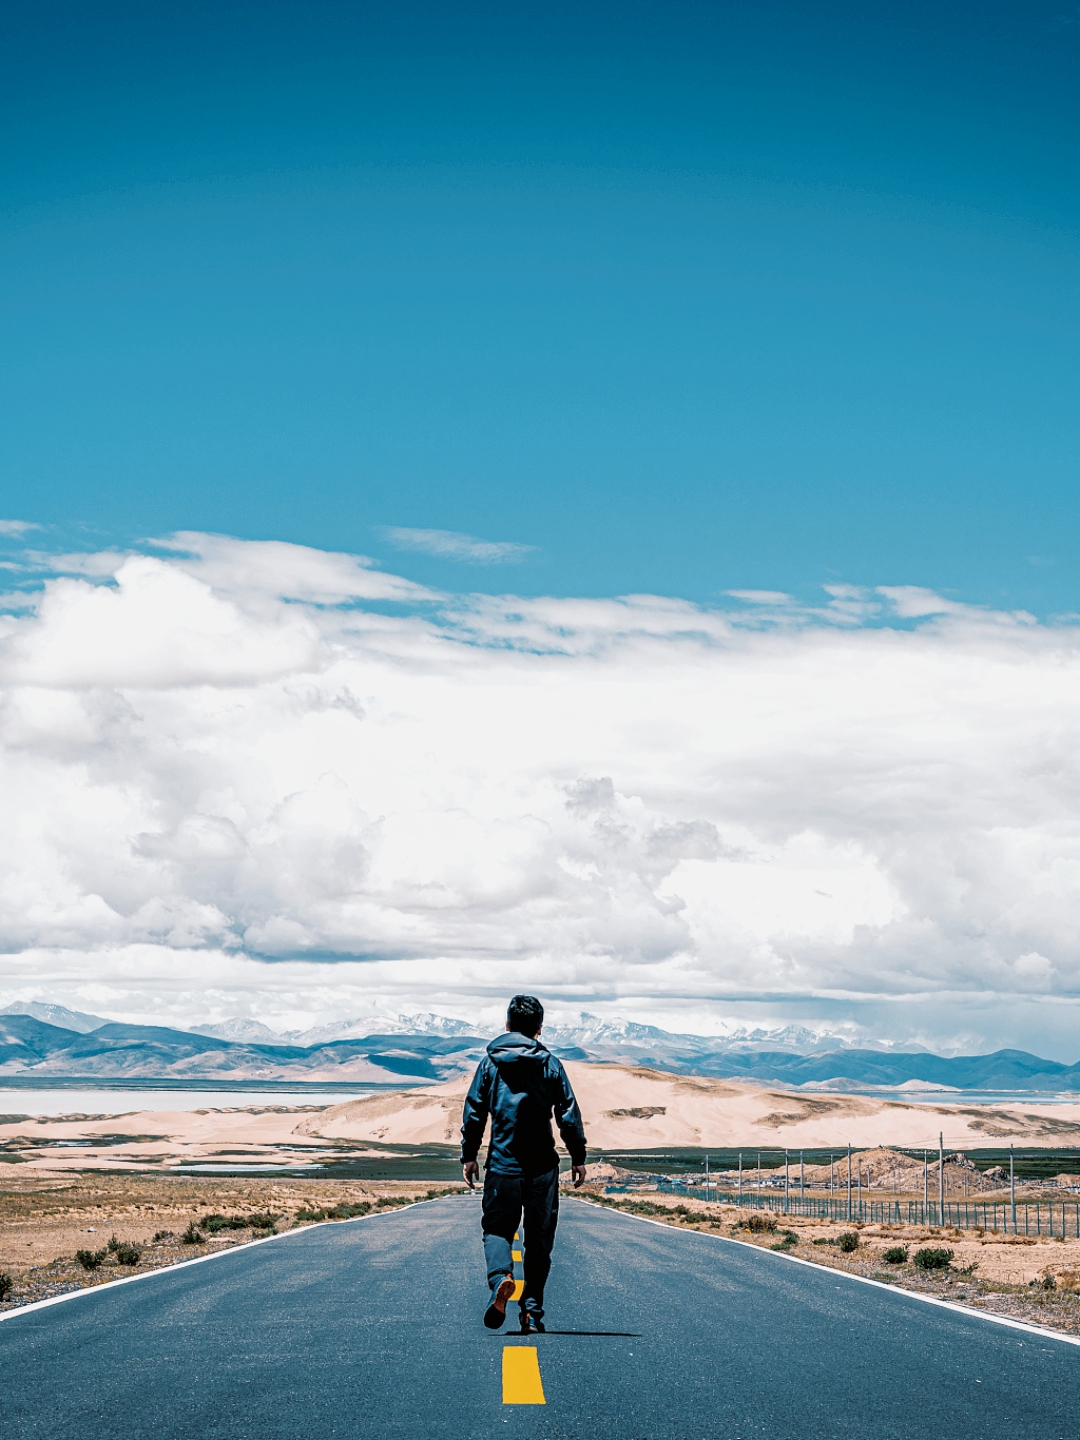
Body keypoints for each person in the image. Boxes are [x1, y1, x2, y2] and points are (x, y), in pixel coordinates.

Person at [461, 994, 587, 1333]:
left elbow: (474, 1112)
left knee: (498, 1229)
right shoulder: (550, 1064)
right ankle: (531, 1313)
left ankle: (502, 1278)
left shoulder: (490, 1064)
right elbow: (569, 1114)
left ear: (507, 1025)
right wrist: (577, 1156)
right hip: (543, 1168)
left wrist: (469, 1155)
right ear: (539, 1029)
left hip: (502, 1165)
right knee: (539, 1239)